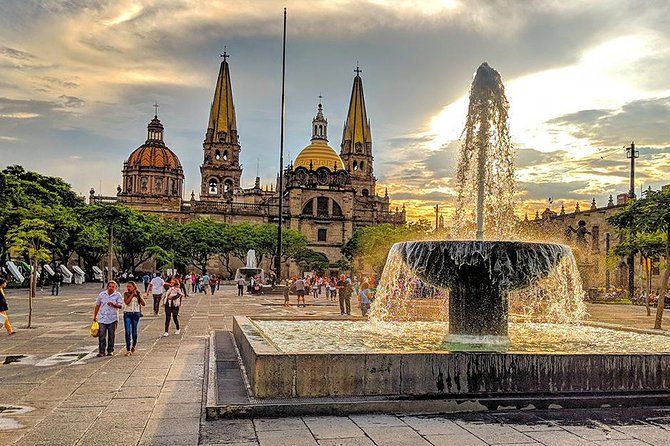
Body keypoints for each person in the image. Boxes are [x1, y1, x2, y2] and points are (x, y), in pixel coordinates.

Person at [93, 281, 123, 357]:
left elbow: (121, 306)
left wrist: (114, 304)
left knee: (111, 335)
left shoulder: (117, 295)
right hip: (102, 318)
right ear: (107, 287)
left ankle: (110, 350)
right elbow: (97, 305)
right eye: (110, 286)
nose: (111, 288)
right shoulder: (102, 294)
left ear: (115, 288)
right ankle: (101, 351)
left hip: (112, 318)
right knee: (101, 335)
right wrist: (95, 316)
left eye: (113, 287)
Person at [123, 281, 145, 356]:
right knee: (127, 331)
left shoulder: (138, 293)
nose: (128, 288)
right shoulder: (126, 294)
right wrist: (132, 295)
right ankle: (128, 349)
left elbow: (143, 303)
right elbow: (127, 302)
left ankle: (134, 346)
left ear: (134, 287)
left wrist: (138, 296)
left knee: (134, 331)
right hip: (127, 313)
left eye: (130, 286)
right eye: (127, 286)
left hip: (136, 313)